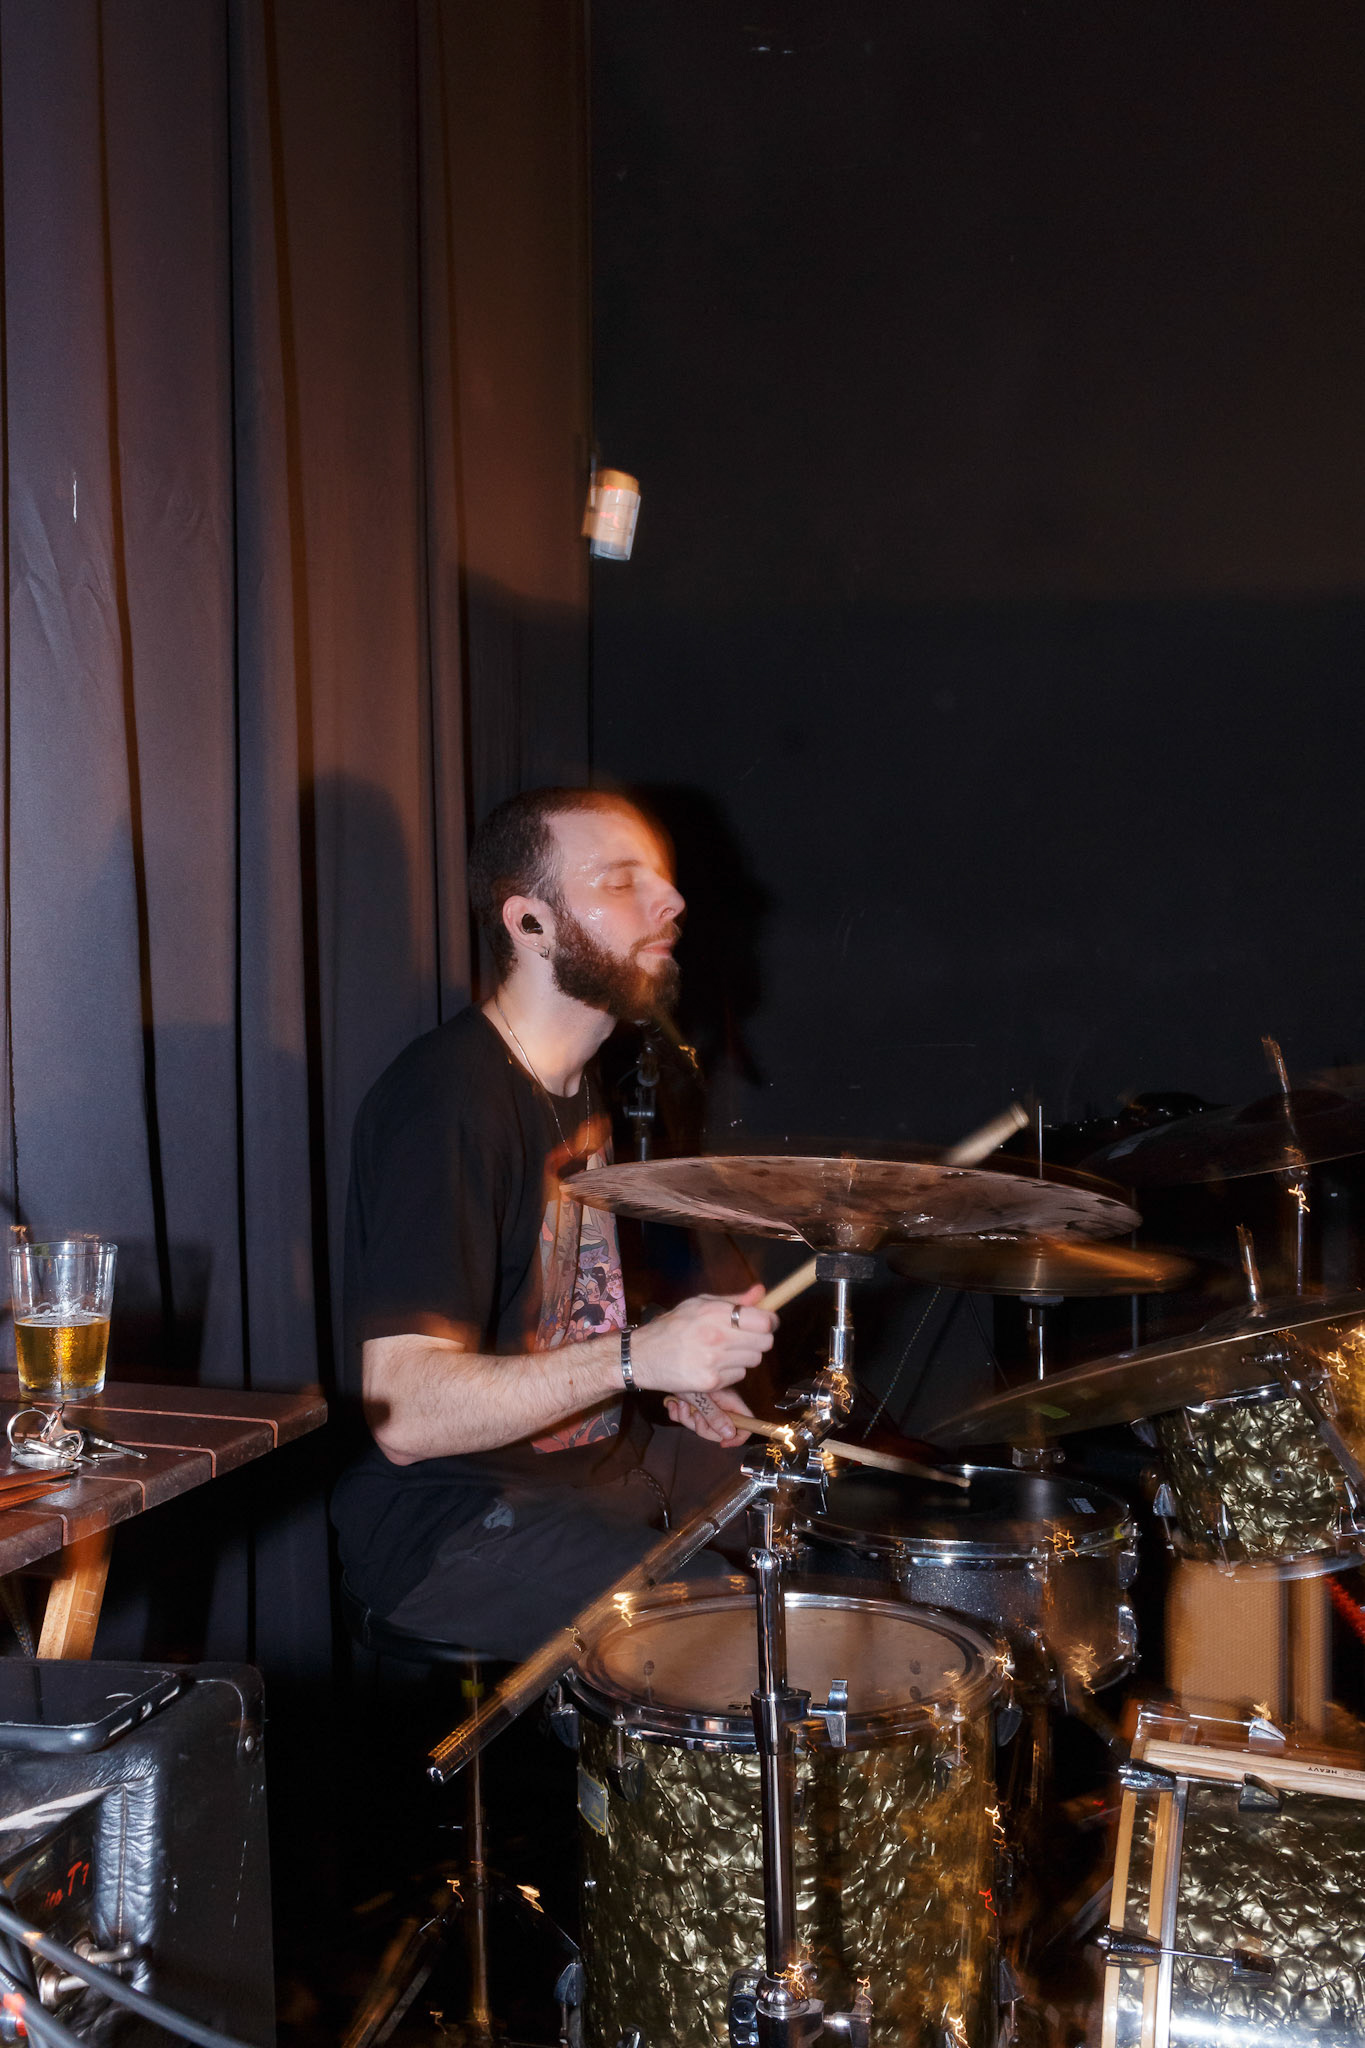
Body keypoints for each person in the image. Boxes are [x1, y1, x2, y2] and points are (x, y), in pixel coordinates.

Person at [331, 786, 777, 1658]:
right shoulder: (447, 1101)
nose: (670, 901)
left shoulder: (580, 1086)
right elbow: (405, 1415)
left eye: (662, 878)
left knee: (827, 1542)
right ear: (530, 923)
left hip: (592, 1478)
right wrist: (635, 1358)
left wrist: (673, 1370)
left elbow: (558, 1313)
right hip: (451, 1521)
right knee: (745, 1640)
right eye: (620, 881)